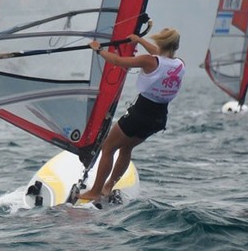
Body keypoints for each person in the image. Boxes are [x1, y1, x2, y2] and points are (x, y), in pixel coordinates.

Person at [76, 27, 185, 203]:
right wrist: (140, 40)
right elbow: (160, 55)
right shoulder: (179, 64)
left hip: (141, 113)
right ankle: (108, 186)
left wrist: (98, 49)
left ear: (160, 42)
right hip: (159, 118)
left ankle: (95, 191)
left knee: (108, 148)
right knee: (126, 148)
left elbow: (118, 61)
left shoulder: (148, 61)